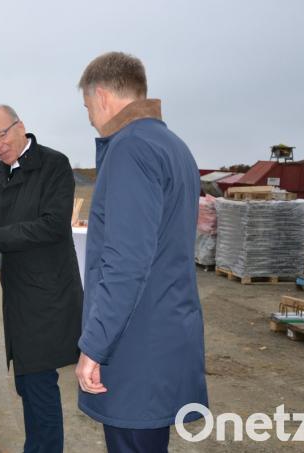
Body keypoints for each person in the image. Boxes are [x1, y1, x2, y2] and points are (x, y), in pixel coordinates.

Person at [73, 51, 209, 452]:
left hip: (136, 349)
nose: (88, 118)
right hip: (164, 338)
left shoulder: (130, 149)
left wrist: (93, 347)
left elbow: (126, 262)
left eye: (86, 107)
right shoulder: (172, 146)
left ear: (101, 95)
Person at [0, 105, 83, 453]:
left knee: (39, 386)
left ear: (21, 126)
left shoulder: (54, 164)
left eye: (1, 135)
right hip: (18, 295)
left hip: (48, 295)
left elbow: (52, 224)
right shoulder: (3, 172)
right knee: (28, 385)